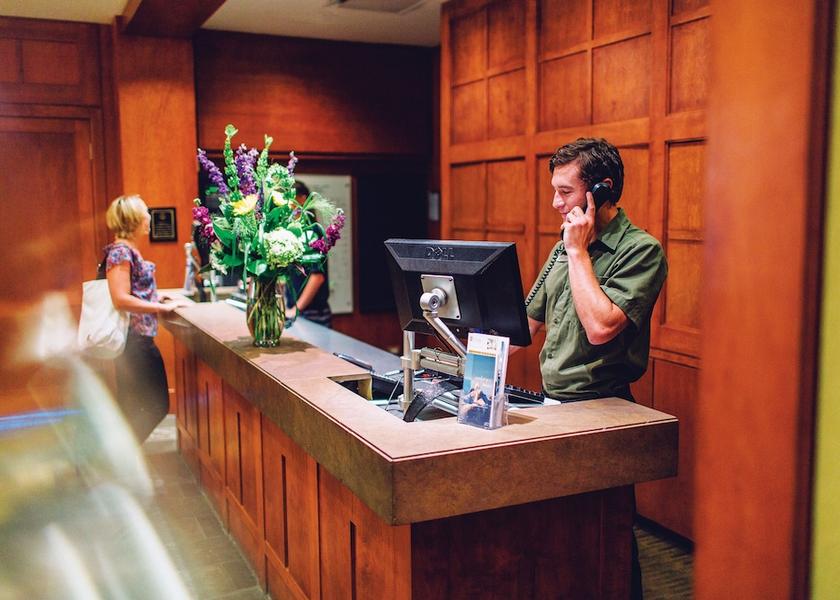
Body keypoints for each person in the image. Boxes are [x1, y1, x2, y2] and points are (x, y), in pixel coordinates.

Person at [523, 138, 668, 600]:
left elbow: (602, 326)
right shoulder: (564, 246)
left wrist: (579, 253)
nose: (555, 203)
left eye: (565, 192)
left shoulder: (640, 250)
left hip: (602, 410)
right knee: (559, 533)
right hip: (553, 406)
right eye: (554, 191)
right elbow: (525, 324)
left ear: (600, 191)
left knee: (608, 535)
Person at [103, 195, 185, 443]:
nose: (149, 218)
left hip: (135, 340)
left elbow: (134, 291)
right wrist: (158, 309)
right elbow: (120, 298)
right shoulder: (121, 252)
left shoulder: (126, 251)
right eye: (145, 214)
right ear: (134, 219)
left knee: (132, 407)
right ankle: (120, 460)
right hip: (134, 342)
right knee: (156, 405)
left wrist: (156, 300)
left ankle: (119, 463)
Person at [285, 182, 332, 327]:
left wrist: (296, 309)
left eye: (290, 198)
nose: (287, 204)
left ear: (303, 200)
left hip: (312, 313)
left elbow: (317, 276)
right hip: (297, 309)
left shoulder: (313, 233)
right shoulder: (295, 232)